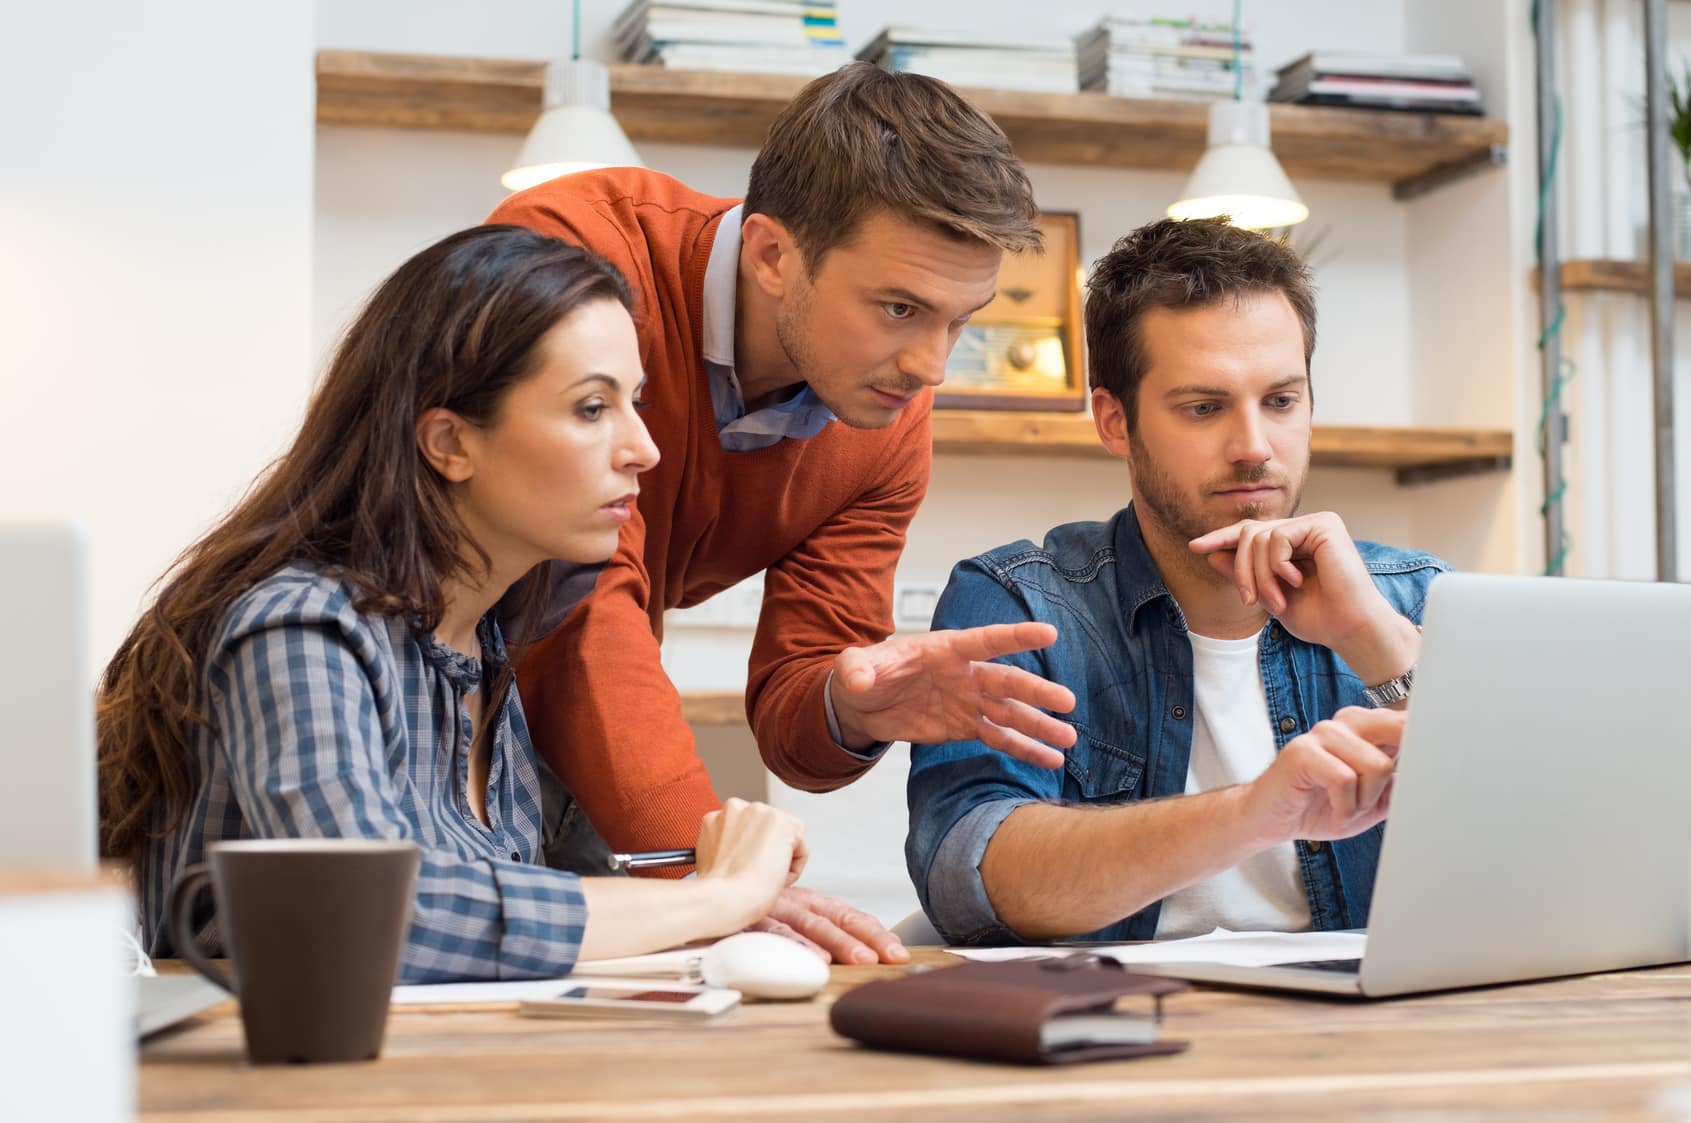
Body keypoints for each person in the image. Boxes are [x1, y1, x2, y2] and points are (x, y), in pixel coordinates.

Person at [96, 226, 809, 983]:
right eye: (592, 408)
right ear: (449, 443)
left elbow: (490, 917)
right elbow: (365, 912)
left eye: (635, 402)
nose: (644, 448)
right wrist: (719, 899)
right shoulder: (301, 626)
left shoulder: (484, 640)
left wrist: (716, 899)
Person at [488, 61, 1077, 964]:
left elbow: (796, 717)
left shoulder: (883, 418)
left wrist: (851, 701)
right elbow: (573, 601)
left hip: (564, 758)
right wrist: (716, 881)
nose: (931, 368)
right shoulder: (575, 255)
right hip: (414, 712)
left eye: (959, 321)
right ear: (771, 255)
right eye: (898, 307)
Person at [906, 217, 1451, 945]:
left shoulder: (1417, 599)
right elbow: (969, 875)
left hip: (1372, 1036)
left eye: (1281, 401)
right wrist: (1252, 810)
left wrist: (1377, 642)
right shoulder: (1022, 604)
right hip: (1117, 1032)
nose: (1253, 448)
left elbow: (1542, 845)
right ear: (1113, 421)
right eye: (1203, 408)